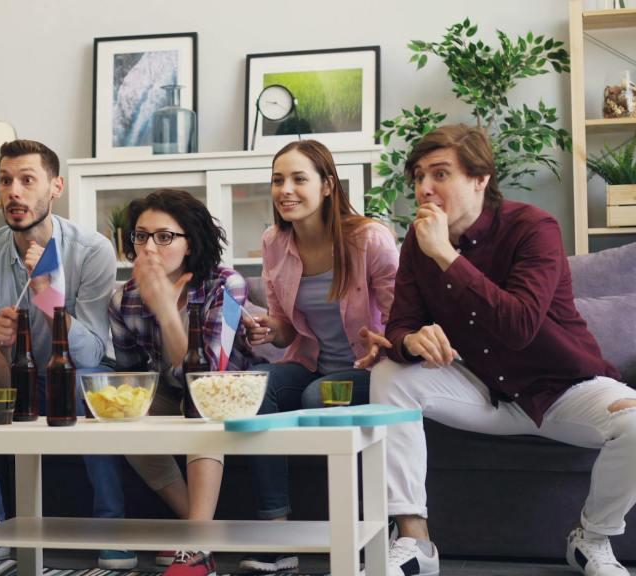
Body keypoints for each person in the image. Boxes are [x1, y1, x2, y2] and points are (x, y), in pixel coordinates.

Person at [371, 124, 636, 576]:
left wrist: (447, 258)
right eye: (418, 176)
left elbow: (519, 325)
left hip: (560, 388)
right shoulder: (419, 240)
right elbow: (399, 324)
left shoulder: (534, 228)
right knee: (388, 375)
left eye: (439, 174)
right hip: (478, 389)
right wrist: (409, 341)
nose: (424, 188)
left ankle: (591, 540)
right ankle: (415, 541)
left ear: (481, 178)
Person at [0, 139, 132, 569]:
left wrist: (46, 295)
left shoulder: (92, 250)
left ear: (55, 187)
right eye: (5, 180)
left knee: (80, 383)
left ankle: (113, 527)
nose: (13, 192)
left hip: (75, 372)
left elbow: (92, 348)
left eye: (26, 180)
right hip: (15, 375)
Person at [238, 140, 399, 574]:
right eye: (277, 180)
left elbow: (403, 316)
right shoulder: (274, 242)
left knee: (317, 398)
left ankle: (371, 530)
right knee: (255, 387)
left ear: (328, 185)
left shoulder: (369, 239)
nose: (285, 189)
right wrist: (270, 328)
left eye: (298, 179)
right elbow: (288, 328)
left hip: (374, 368)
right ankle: (279, 534)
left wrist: (386, 340)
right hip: (311, 363)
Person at [109, 188, 262, 576]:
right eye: (141, 236)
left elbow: (205, 377)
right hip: (169, 387)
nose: (149, 248)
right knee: (125, 421)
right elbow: (131, 380)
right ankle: (202, 533)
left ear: (190, 243)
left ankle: (194, 547)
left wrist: (166, 310)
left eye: (164, 237)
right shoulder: (123, 299)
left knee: (201, 413)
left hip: (223, 390)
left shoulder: (226, 285)